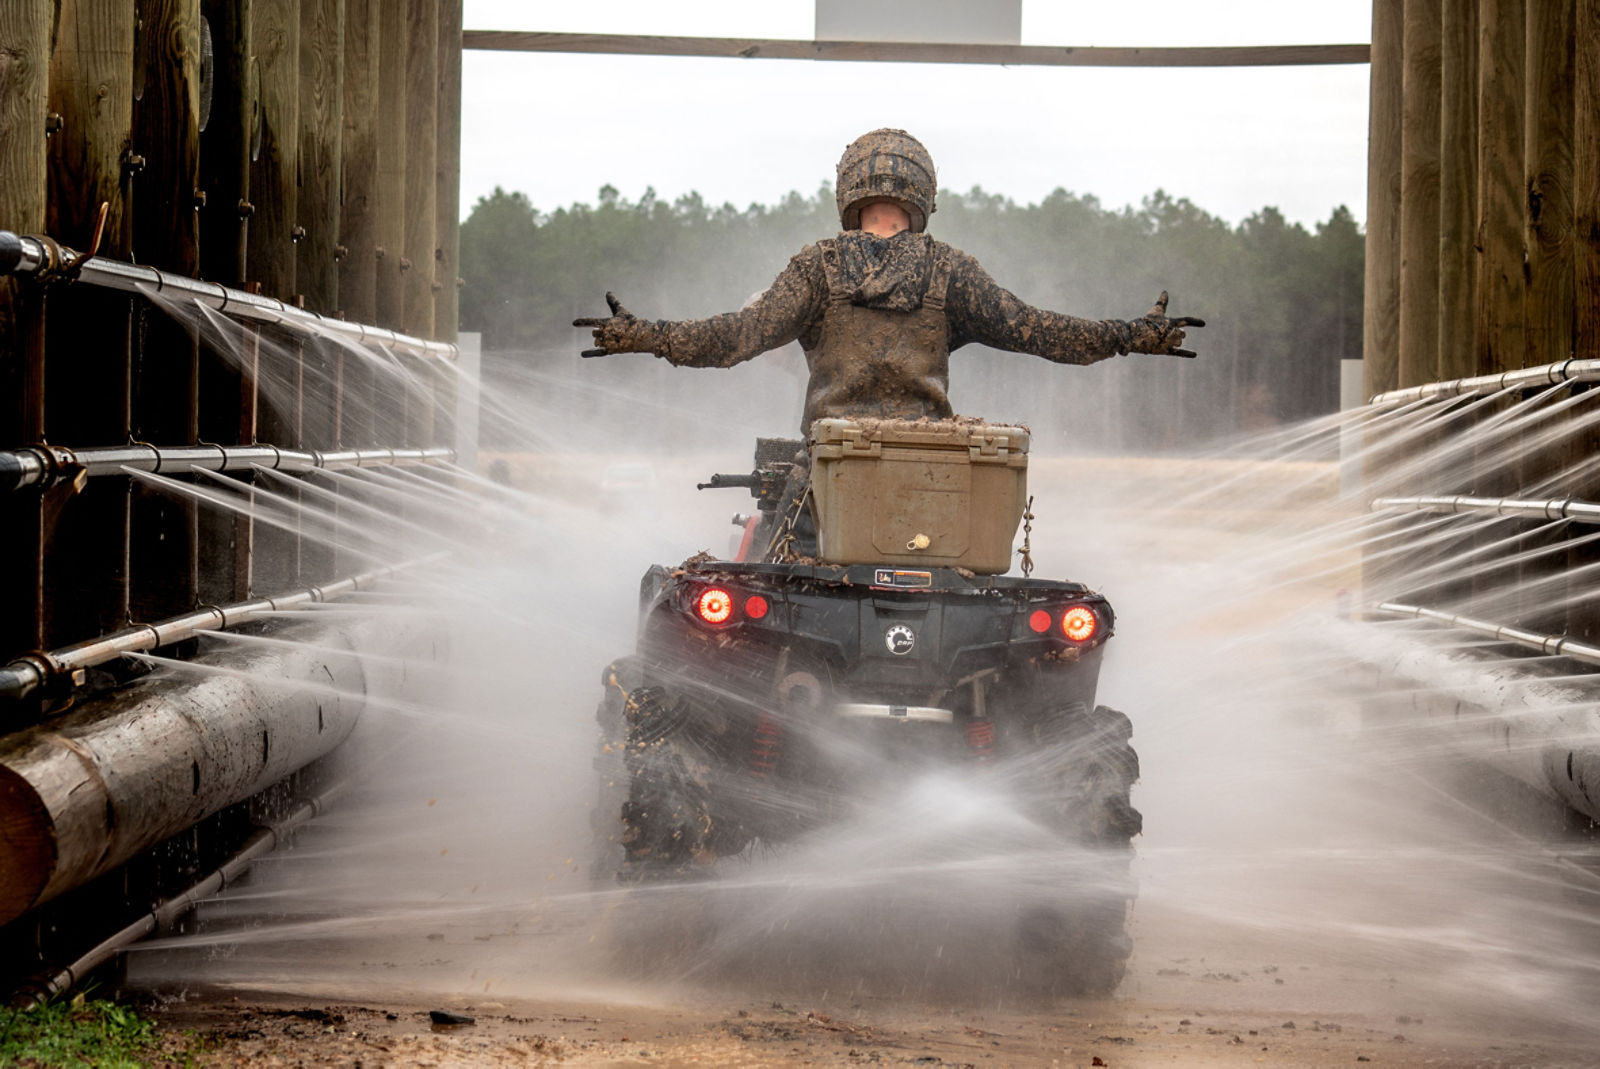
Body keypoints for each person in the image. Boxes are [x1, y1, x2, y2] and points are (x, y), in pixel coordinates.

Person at [574, 128, 1203, 436]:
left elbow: (736, 337)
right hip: (931, 471)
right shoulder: (950, 270)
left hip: (830, 466)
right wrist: (1129, 334)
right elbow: (1039, 331)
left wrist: (645, 335)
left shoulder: (817, 266)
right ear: (922, 195)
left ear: (849, 193)